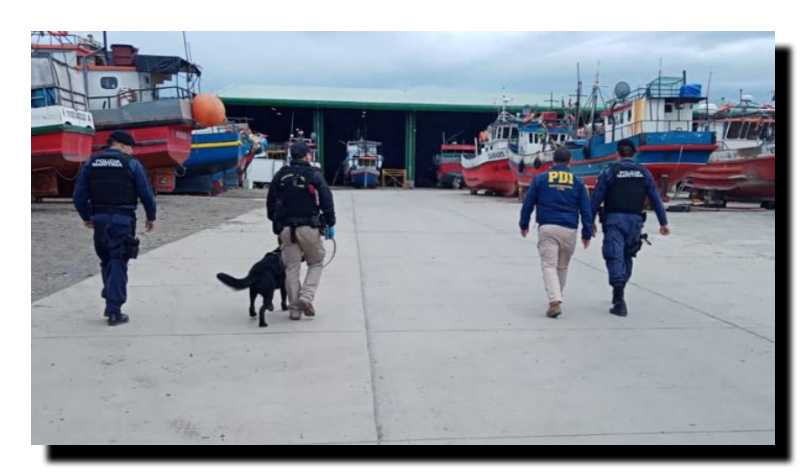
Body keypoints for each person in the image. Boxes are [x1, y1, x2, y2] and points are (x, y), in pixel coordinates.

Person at [73, 130, 157, 326]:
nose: (131, 151)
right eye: (130, 147)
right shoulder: (131, 163)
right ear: (121, 145)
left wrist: (86, 216)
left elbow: (78, 195)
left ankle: (110, 293)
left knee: (107, 260)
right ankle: (114, 309)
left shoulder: (91, 163)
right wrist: (151, 216)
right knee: (119, 260)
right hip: (122, 219)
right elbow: (146, 193)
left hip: (99, 219)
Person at [590, 139, 671, 317]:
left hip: (614, 220)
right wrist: (663, 222)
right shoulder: (644, 173)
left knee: (614, 255)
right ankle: (619, 290)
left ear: (617, 154)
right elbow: (656, 198)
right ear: (634, 154)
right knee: (627, 256)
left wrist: (589, 223)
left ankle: (619, 299)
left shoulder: (609, 172)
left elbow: (596, 199)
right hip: (635, 222)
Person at [519, 147, 594, 318]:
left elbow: (528, 203)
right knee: (562, 266)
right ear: (570, 161)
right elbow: (585, 209)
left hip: (547, 227)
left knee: (549, 265)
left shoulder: (541, 179)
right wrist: (586, 233)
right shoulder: (577, 181)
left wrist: (524, 223)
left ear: (553, 160)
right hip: (569, 229)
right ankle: (556, 298)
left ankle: (554, 300)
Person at [267, 141, 336, 320]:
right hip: (308, 227)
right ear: (307, 156)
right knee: (316, 262)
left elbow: (270, 204)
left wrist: (277, 221)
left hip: (286, 229)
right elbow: (327, 199)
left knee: (292, 267)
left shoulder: (280, 176)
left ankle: (294, 310)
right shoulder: (314, 175)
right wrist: (330, 223)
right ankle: (306, 296)